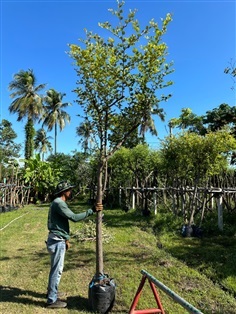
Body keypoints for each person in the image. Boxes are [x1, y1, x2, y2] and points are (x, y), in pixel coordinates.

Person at [46, 180, 94, 309]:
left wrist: (66, 239)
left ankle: (52, 293)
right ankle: (51, 300)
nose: (71, 192)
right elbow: (74, 218)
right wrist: (91, 211)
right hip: (56, 241)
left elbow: (61, 223)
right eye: (69, 190)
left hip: (56, 239)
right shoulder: (59, 203)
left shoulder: (57, 203)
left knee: (55, 270)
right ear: (64, 192)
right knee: (57, 271)